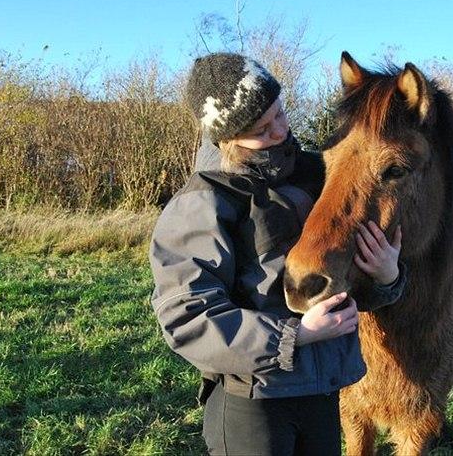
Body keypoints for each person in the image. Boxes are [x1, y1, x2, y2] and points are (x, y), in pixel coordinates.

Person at [149, 53, 407, 455]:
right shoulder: (204, 202)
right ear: (227, 139)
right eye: (260, 129)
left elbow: (340, 286)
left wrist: (387, 276)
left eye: (280, 114)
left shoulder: (318, 175)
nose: (279, 131)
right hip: (253, 399)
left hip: (322, 390)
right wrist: (298, 335)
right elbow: (187, 315)